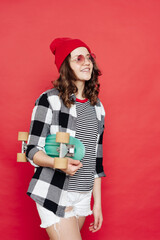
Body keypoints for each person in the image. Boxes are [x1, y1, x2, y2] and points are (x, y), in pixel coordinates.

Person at [26, 37, 106, 240]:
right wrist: (58, 163)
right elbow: (31, 150)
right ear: (65, 66)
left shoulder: (97, 108)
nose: (86, 62)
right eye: (78, 58)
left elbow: (96, 161)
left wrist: (96, 204)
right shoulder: (49, 100)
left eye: (89, 57)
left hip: (83, 195)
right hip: (55, 190)